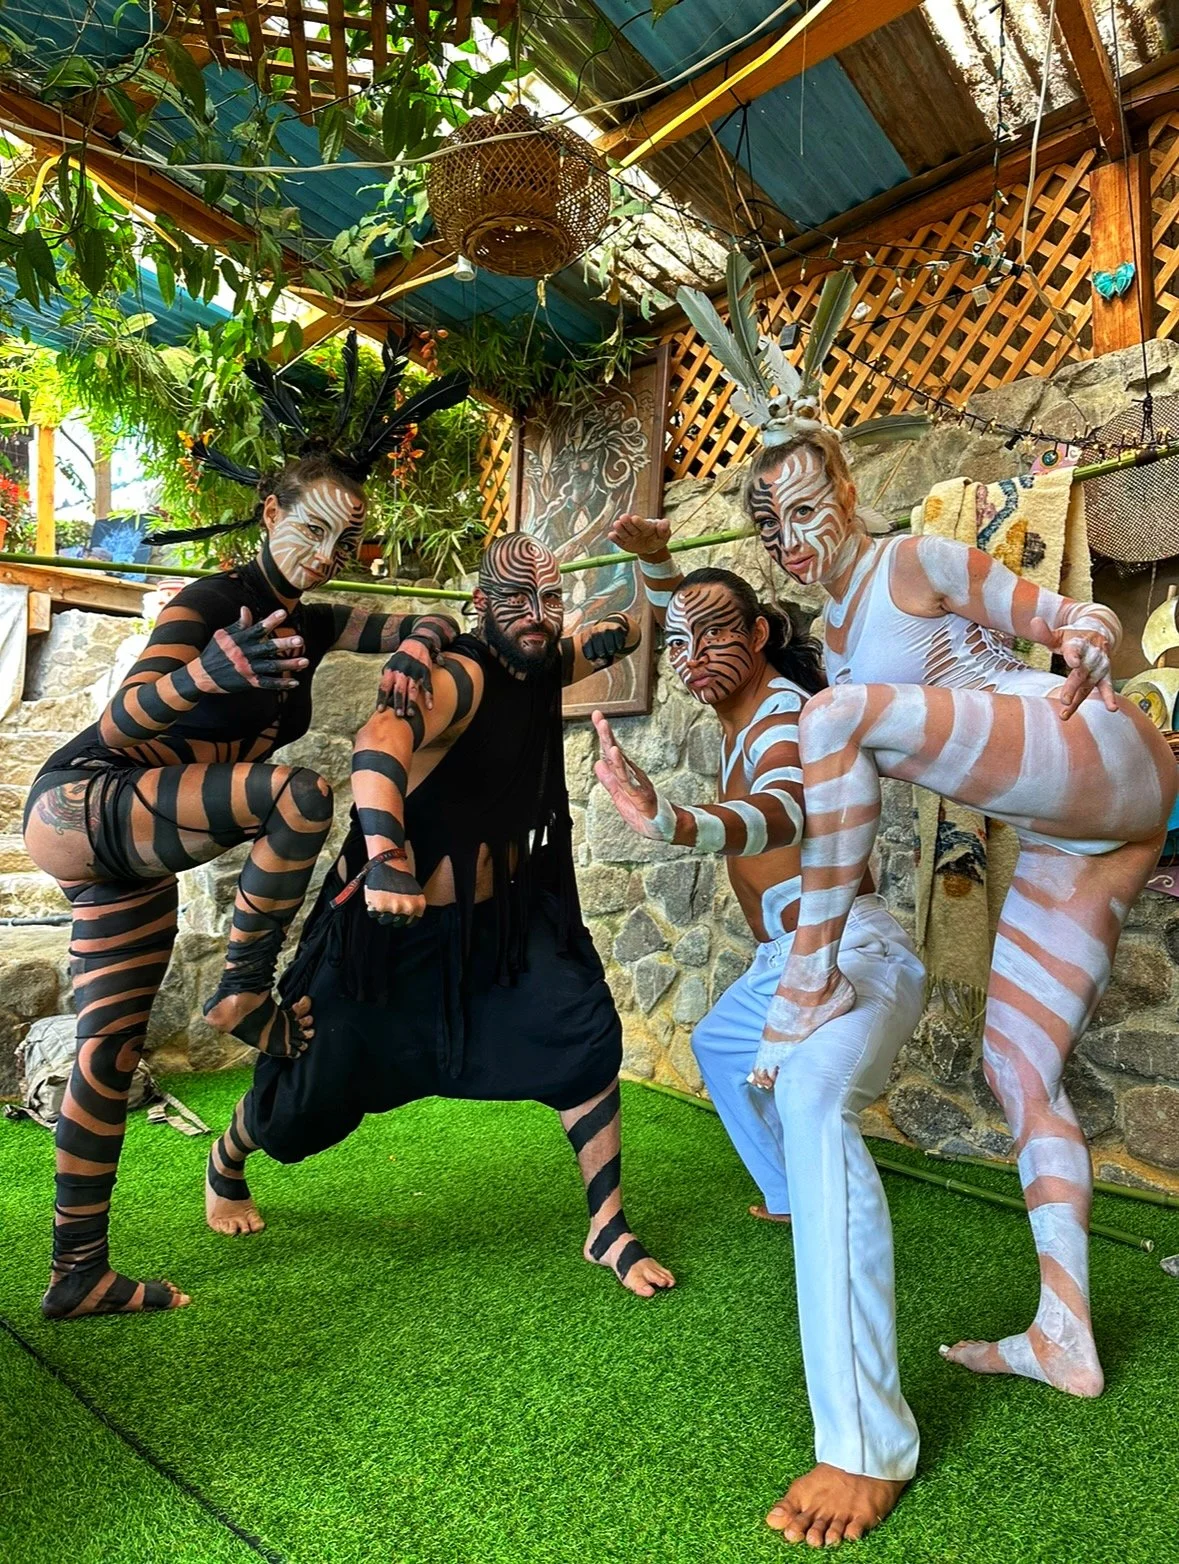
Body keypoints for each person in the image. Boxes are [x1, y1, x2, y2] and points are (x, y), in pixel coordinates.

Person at [22, 336, 469, 1319]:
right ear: (270, 513)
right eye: (309, 530)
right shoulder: (212, 601)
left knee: (109, 1050)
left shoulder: (314, 624)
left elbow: (419, 624)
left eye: (341, 542)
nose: (323, 556)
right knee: (299, 796)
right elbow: (122, 723)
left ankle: (78, 1271)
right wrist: (205, 676)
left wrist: (424, 642)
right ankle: (243, 993)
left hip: (126, 856)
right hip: (82, 799)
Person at [741, 424, 1176, 1401]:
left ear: (842, 488)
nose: (793, 539)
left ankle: (807, 984)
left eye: (805, 509)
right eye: (772, 528)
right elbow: (837, 791)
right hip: (1084, 835)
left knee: (831, 715)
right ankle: (1064, 1333)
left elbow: (1069, 617)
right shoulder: (835, 641)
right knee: (1017, 1070)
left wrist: (1087, 637)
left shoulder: (914, 561)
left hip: (1091, 744)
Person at [205, 532, 676, 1299]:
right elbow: (378, 739)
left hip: (501, 931)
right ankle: (228, 1156)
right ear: (481, 606)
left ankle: (606, 1226)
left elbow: (641, 624)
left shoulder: (544, 665)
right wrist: (386, 854)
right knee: (304, 1100)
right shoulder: (462, 674)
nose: (537, 614)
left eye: (550, 598)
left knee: (582, 1030)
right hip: (385, 939)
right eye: (517, 599)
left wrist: (651, 566)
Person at [593, 517, 925, 1546]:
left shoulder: (787, 713)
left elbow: (781, 809)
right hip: (786, 957)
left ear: (763, 632)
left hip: (847, 949)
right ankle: (790, 1194)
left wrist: (668, 820)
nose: (691, 656)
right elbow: (687, 619)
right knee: (723, 1049)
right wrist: (657, 569)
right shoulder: (742, 705)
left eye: (712, 637)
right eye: (679, 643)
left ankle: (863, 1447)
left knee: (815, 1099)